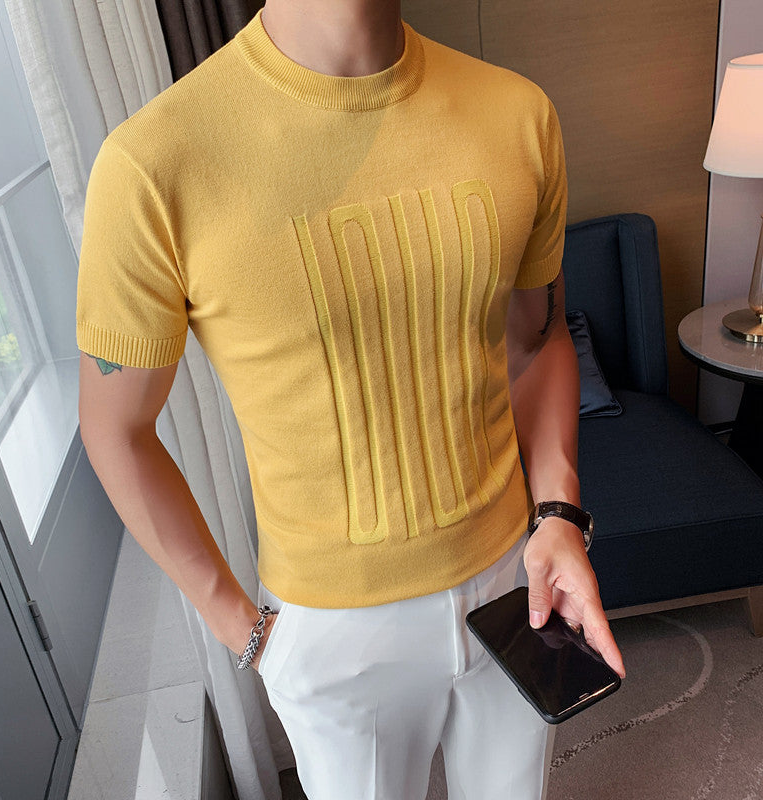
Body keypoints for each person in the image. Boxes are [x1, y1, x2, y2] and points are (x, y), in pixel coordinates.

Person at [76, 1, 625, 797]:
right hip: (330, 630)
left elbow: (536, 342)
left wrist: (560, 516)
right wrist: (247, 632)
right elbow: (115, 428)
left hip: (518, 581)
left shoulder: (517, 112)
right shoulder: (155, 163)